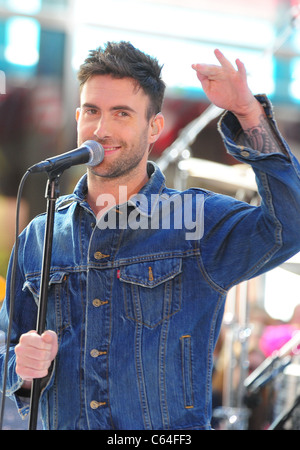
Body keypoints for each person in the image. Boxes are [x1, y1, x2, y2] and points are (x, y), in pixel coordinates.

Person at [1, 41, 300, 430]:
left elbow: (291, 225)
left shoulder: (196, 222)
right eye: (92, 111)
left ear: (154, 127)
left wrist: (247, 112)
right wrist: (21, 371)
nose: (101, 129)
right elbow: (10, 346)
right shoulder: (38, 237)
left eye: (121, 113)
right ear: (78, 117)